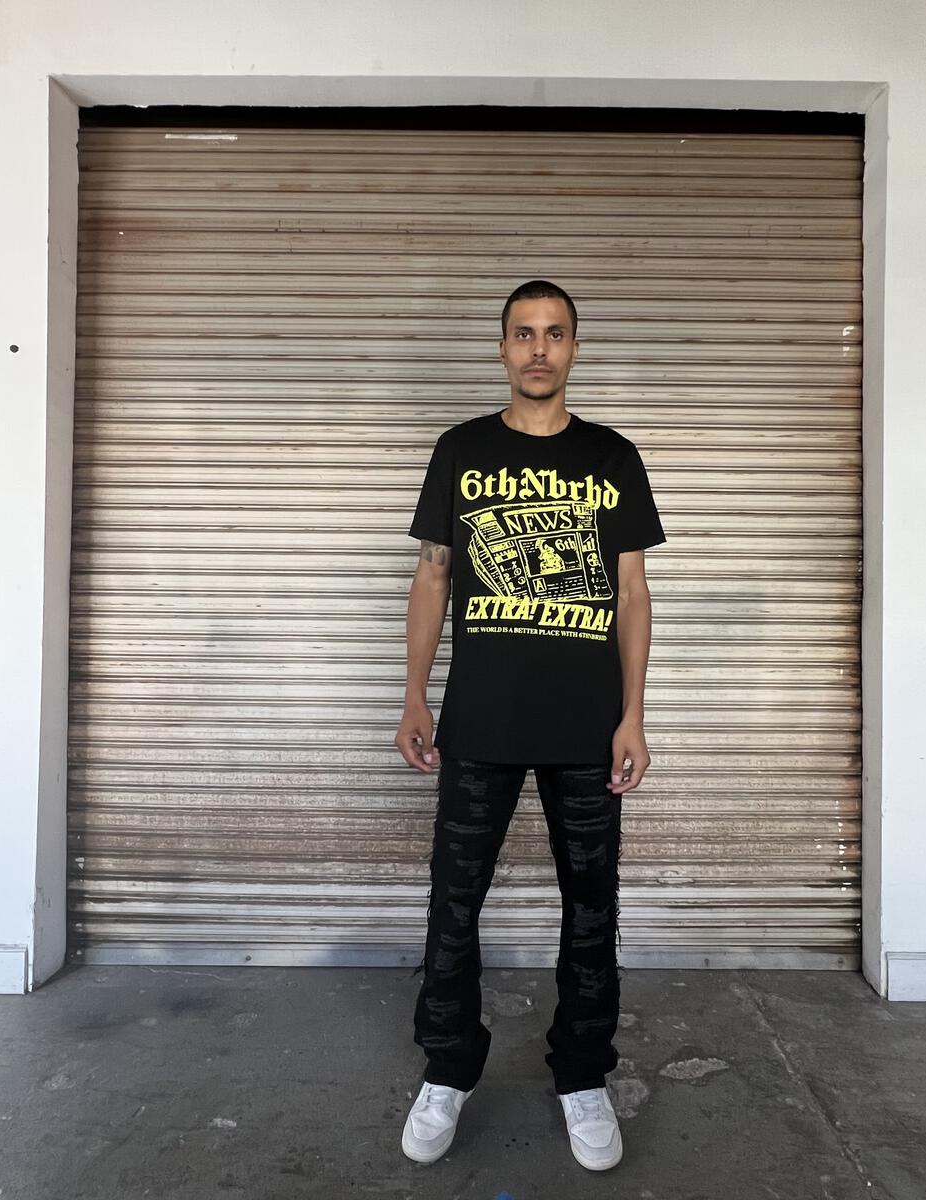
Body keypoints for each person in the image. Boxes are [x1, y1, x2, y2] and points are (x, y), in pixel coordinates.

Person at [395, 280, 666, 1172]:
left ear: (575, 348)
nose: (539, 348)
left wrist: (633, 714)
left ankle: (582, 1075)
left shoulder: (611, 456)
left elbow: (632, 592)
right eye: (524, 333)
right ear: (503, 347)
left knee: (592, 905)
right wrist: (414, 695)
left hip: (587, 727)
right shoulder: (461, 449)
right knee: (453, 902)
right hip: (480, 721)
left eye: (555, 333)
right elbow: (433, 575)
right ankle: (448, 1069)